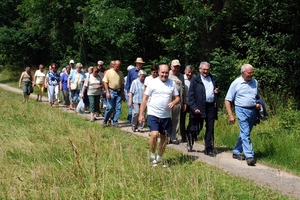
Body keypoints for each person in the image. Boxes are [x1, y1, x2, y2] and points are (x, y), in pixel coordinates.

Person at [138, 64, 180, 167]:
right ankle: (152, 156)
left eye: (166, 73)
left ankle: (159, 158)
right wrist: (141, 114)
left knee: (164, 138)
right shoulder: (152, 83)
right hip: (153, 113)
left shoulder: (172, 84)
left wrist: (173, 103)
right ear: (159, 72)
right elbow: (145, 99)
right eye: (162, 72)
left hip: (165, 116)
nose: (164, 75)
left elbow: (178, 98)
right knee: (154, 134)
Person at [225, 64, 260, 166]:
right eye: (249, 73)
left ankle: (236, 151)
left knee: (245, 132)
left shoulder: (255, 82)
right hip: (241, 109)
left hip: (252, 111)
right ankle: (249, 156)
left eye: (252, 72)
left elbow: (256, 96)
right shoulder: (236, 83)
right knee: (245, 132)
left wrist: (257, 104)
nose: (251, 75)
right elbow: (227, 100)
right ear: (243, 73)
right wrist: (230, 115)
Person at [188, 62, 219, 155]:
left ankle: (208, 148)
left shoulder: (213, 79)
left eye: (207, 69)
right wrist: (194, 107)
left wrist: (217, 92)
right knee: (197, 127)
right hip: (199, 107)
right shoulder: (195, 80)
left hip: (211, 106)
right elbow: (191, 95)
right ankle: (190, 141)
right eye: (204, 69)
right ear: (199, 69)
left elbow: (216, 92)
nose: (206, 71)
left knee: (210, 128)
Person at [102, 60, 125, 127]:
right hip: (111, 91)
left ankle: (115, 122)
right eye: (117, 66)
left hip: (119, 92)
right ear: (114, 65)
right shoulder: (109, 72)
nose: (118, 68)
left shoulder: (120, 73)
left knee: (118, 108)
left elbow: (122, 84)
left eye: (119, 67)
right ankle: (105, 120)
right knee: (110, 107)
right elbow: (105, 82)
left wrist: (123, 93)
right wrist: (107, 92)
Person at [168, 59, 186, 145]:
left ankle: (174, 137)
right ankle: (167, 136)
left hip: (178, 102)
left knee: (176, 119)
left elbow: (183, 90)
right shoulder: (167, 75)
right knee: (167, 119)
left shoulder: (182, 76)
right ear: (171, 67)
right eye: (174, 67)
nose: (176, 69)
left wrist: (185, 102)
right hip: (168, 101)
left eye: (178, 67)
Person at [125, 57, 145, 123]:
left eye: (141, 64)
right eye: (138, 63)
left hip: (140, 93)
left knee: (140, 110)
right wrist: (128, 92)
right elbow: (128, 82)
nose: (140, 65)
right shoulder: (131, 71)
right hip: (132, 92)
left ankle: (137, 124)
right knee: (132, 109)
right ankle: (132, 123)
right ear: (136, 63)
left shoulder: (143, 72)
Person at [180, 65, 194, 142]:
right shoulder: (182, 78)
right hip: (183, 101)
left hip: (191, 102)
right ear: (185, 71)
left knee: (192, 118)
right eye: (188, 72)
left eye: (191, 73)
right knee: (182, 119)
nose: (190, 74)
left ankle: (189, 133)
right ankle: (183, 136)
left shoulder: (194, 79)